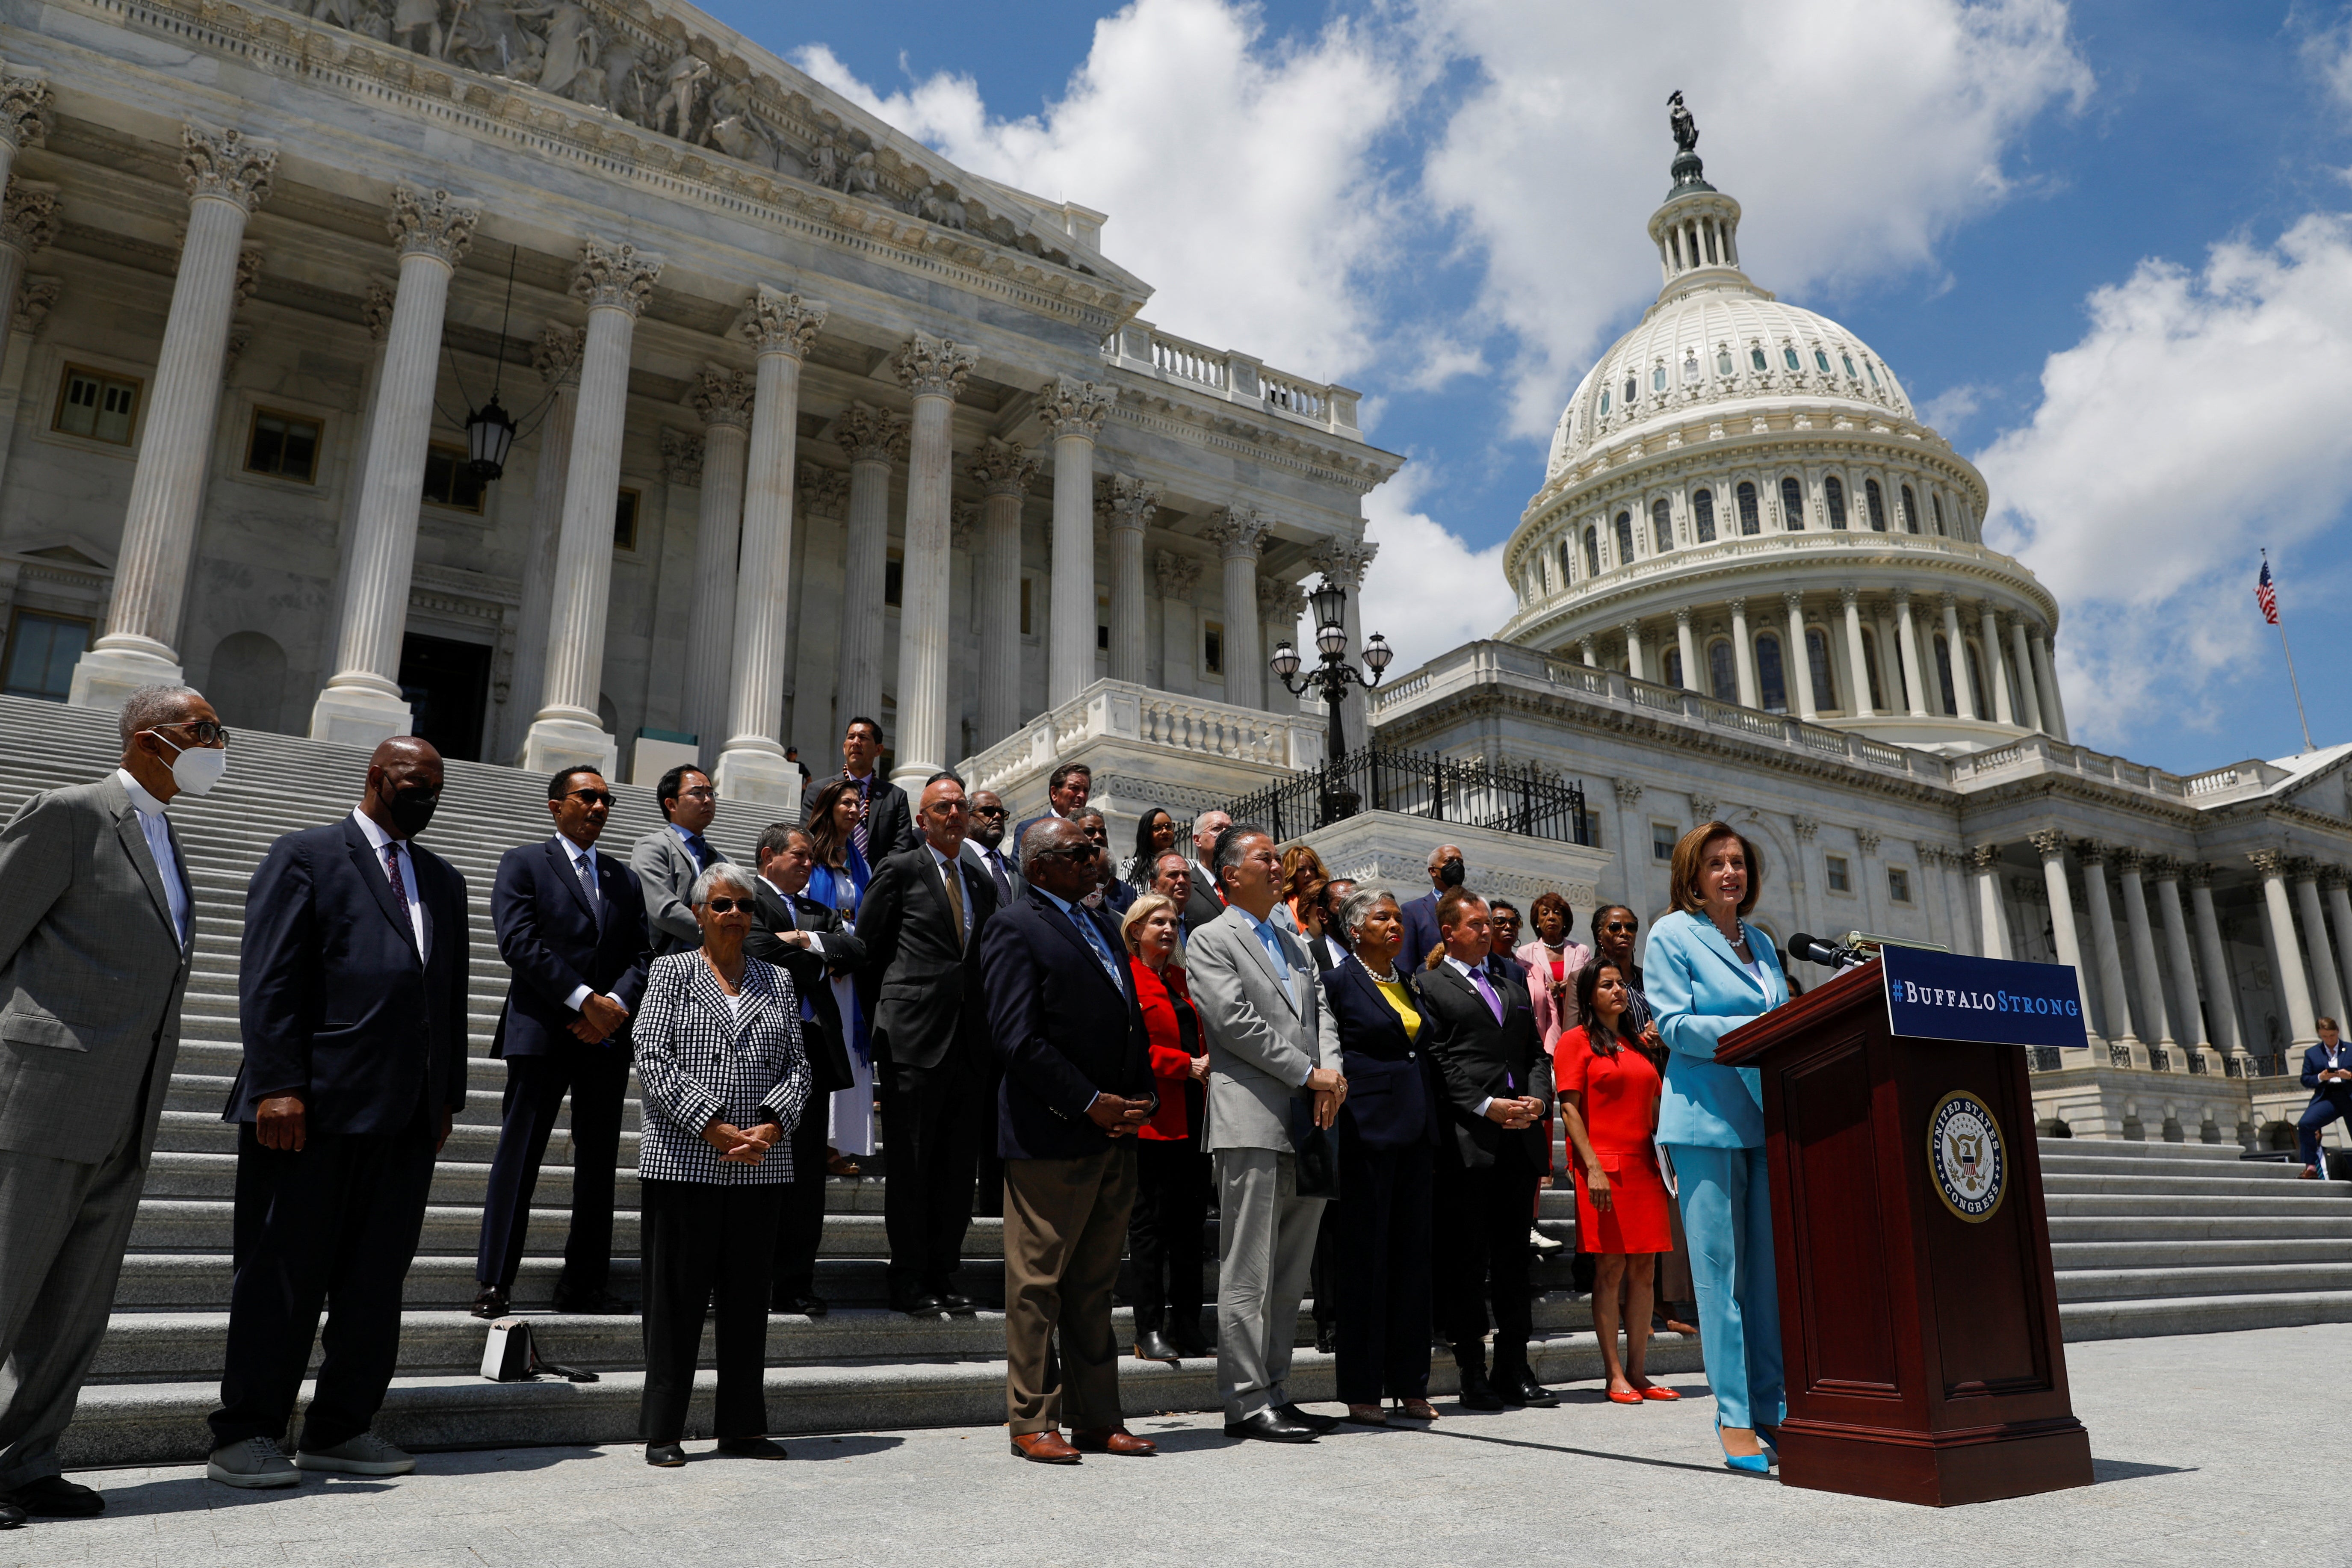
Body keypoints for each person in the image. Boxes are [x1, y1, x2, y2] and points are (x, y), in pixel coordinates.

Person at [207, 737, 470, 1488]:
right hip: (309, 1109)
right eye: (415, 782)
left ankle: (340, 1425)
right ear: (378, 777)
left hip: (404, 1114)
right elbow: (270, 977)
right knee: (282, 1275)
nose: (427, 797)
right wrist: (276, 1084)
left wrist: (445, 1096)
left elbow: (446, 995)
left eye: (437, 786)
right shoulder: (307, 855)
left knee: (375, 1279)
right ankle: (247, 1431)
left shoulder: (443, 880)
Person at [0, 685, 214, 1522]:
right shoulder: (70, 813)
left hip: (128, 1104)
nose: (217, 745)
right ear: (150, 738)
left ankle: (27, 1459)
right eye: (203, 730)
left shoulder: (167, 835)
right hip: (44, 1094)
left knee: (76, 1306)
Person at [980, 818, 1158, 1462]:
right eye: (1078, 852)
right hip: (1050, 1134)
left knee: (1094, 1286)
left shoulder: (1106, 924)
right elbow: (1016, 1037)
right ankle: (1032, 1419)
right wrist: (1088, 1100)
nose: (1094, 859)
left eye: (1095, 850)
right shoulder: (1013, 926)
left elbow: (1129, 1021)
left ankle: (1098, 1418)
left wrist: (1141, 1096)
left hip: (1114, 1136)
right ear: (1038, 866)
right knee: (1038, 1285)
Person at [631, 863, 810, 1466]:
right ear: (699, 913)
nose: (735, 914)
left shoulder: (777, 979)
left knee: (747, 1301)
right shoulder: (671, 971)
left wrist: (773, 1123)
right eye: (722, 904)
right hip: (685, 1161)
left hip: (759, 1164)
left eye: (745, 906)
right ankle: (663, 1430)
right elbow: (652, 1055)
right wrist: (709, 1123)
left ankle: (742, 1428)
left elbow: (799, 1066)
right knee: (675, 1303)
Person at [1186, 824, 1346, 1444]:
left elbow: (1323, 1013)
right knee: (1248, 1268)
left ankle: (1277, 1388)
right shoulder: (1210, 938)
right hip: (1251, 1117)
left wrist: (1331, 1077)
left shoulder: (1294, 940)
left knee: (1290, 1271)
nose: (1279, 866)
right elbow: (1234, 1022)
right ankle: (1246, 1399)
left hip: (1310, 1118)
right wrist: (1310, 1072)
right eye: (1265, 857)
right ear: (1229, 874)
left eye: (1279, 857)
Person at [473, 768, 652, 1319]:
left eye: (607, 799)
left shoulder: (624, 879)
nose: (599, 807)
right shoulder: (524, 863)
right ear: (556, 806)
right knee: (519, 1158)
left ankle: (585, 1284)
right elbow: (518, 942)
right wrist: (583, 1000)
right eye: (587, 797)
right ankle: (494, 1281)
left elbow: (642, 955)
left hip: (604, 1039)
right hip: (543, 1032)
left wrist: (611, 1007)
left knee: (597, 1166)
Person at [1646, 821, 1790, 1472]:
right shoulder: (1672, 933)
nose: (1730, 872)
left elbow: (1786, 1014)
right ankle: (1733, 1417)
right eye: (1716, 863)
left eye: (1738, 861)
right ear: (1692, 874)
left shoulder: (1759, 941)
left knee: (1766, 1279)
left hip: (1766, 1116)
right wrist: (1760, 1027)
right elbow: (1675, 1025)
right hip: (1704, 1120)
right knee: (1719, 1278)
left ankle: (1772, 1407)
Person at [856, 772, 1000, 1314]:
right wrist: (883, 1020)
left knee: (958, 1167)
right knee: (913, 1163)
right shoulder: (899, 868)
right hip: (913, 1038)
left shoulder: (980, 880)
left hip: (969, 1040)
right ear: (921, 819)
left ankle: (944, 1270)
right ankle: (909, 1277)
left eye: (962, 805)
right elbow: (868, 950)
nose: (955, 814)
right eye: (943, 807)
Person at [1418, 888, 1554, 1411]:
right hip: (1468, 1143)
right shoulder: (1429, 984)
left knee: (1514, 1260)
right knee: (1467, 1260)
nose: (1485, 930)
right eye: (1474, 924)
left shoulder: (1511, 983)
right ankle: (1471, 1370)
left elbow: (1535, 1053)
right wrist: (1484, 1105)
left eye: (1487, 923)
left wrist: (1538, 1101)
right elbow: (1437, 1057)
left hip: (1519, 1139)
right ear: (1448, 932)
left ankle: (1513, 1367)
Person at [1315, 889, 1441, 1427]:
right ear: (1354, 929)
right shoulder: (1338, 982)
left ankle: (1410, 1383)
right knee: (1364, 1262)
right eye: (1381, 918)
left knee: (1413, 1261)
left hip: (1416, 1131)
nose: (1395, 925)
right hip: (1365, 1131)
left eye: (1397, 917)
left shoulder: (1410, 982)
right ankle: (1362, 1387)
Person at [745, 824, 866, 1316]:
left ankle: (795, 1280)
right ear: (768, 856)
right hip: (757, 1047)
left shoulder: (817, 910)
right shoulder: (744, 897)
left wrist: (802, 939)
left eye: (811, 857)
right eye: (799, 855)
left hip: (813, 1048)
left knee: (806, 1172)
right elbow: (753, 947)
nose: (808, 863)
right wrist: (817, 959)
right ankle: (745, 1276)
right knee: (754, 1162)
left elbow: (856, 950)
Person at [1557, 959, 1676, 1404]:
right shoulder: (1574, 1041)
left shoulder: (1638, 1044)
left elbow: (1655, 1107)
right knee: (1610, 1269)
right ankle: (1614, 1374)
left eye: (1620, 984)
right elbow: (1569, 1109)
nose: (1617, 990)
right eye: (1606, 984)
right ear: (1589, 995)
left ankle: (1639, 1371)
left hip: (1646, 1167)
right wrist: (1591, 1167)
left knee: (1645, 1270)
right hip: (1603, 1167)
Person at [1587, 903, 1695, 1335]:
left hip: (1662, 1089)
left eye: (1631, 926)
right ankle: (1622, 1304)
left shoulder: (1651, 980)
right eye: (1615, 926)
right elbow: (1584, 1035)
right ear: (1599, 934)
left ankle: (1662, 1299)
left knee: (1663, 1198)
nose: (1625, 932)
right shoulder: (1589, 979)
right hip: (1616, 1099)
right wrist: (1636, 1039)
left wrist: (1663, 1031)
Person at [1123, 895, 1212, 1362]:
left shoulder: (1180, 978)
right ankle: (1149, 1328)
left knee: (1190, 1228)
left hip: (1195, 1116)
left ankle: (1188, 1325)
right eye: (1158, 921)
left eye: (1174, 922)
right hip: (1153, 1119)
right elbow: (1129, 1044)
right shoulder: (1125, 976)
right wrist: (1184, 1064)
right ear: (1135, 930)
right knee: (1150, 1229)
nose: (1169, 929)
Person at [804, 775, 875, 1174]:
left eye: (857, 804)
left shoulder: (860, 858)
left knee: (848, 1049)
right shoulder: (810, 852)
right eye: (845, 802)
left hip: (851, 970)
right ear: (829, 807)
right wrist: (828, 952)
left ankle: (837, 1146)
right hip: (819, 965)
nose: (852, 809)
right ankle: (814, 1141)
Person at [632, 764, 725, 956]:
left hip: (717, 961)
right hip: (670, 959)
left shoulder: (723, 860)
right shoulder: (652, 847)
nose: (707, 800)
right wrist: (720, 934)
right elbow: (663, 910)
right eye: (697, 793)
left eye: (711, 793)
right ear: (671, 804)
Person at [808, 715, 917, 864]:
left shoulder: (895, 797)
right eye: (851, 737)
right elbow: (809, 839)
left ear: (878, 749)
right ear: (844, 747)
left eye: (863, 737)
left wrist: (878, 876)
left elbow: (901, 848)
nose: (856, 742)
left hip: (879, 876)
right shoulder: (819, 791)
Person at [1518, 892, 1590, 1051]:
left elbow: (1590, 986)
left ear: (1565, 920)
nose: (1551, 917)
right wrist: (1545, 990)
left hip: (1578, 1023)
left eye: (1557, 913)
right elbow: (1524, 991)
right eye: (1545, 914)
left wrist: (1573, 986)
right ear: (1537, 922)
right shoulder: (1525, 953)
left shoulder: (1581, 951)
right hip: (1544, 1027)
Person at [1399, 843, 1466, 973]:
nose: (1457, 866)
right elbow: (1406, 964)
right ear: (1433, 871)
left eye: (1460, 862)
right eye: (1449, 861)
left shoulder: (1475, 906)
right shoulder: (1413, 911)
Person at [2299, 1016, 2351, 1179]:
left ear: (2338, 1032)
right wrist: (2320, 1077)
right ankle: (2311, 1168)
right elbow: (2305, 1079)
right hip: (2328, 1097)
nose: (2329, 1040)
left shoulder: (2350, 1049)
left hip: (2349, 1095)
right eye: (2325, 1037)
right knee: (2306, 1124)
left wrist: (2350, 1076)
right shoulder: (2312, 1053)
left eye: (2332, 1036)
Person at [961, 789, 1019, 907]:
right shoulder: (955, 860)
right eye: (988, 811)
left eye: (1002, 813)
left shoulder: (1016, 869)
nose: (997, 816)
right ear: (967, 817)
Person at [1012, 761, 1092, 847]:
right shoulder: (1029, 829)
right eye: (1074, 788)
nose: (1082, 795)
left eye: (1086, 791)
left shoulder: (1091, 833)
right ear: (1054, 793)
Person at [1075, 808, 1136, 916]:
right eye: (1090, 832)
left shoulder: (1126, 893)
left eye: (1103, 832)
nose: (1099, 837)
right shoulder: (1058, 887)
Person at [1182, 809, 1230, 935]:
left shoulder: (1243, 883)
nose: (1226, 833)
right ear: (1197, 840)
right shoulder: (1185, 886)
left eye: (1230, 829)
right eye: (1217, 828)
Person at [1276, 845, 1330, 935]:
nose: (1308, 874)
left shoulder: (1328, 899)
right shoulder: (1279, 905)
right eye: (1301, 870)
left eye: (1313, 869)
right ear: (1290, 873)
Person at [1121, 806, 1179, 885]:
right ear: (1146, 833)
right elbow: (1131, 893)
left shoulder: (1185, 865)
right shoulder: (1131, 867)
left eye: (1169, 827)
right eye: (1158, 828)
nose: (1165, 831)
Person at [1309, 878, 1356, 972]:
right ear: (1323, 915)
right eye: (1344, 905)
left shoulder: (1377, 951)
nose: (1353, 910)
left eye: (1358, 904)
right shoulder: (1307, 956)